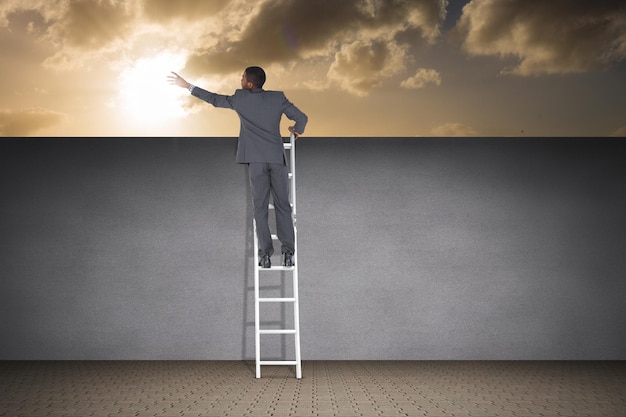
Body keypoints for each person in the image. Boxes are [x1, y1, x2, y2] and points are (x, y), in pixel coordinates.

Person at [167, 67, 308, 268]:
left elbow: (214, 99)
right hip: (276, 159)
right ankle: (288, 253)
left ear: (249, 84)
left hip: (256, 162)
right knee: (283, 206)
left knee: (260, 208)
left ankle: (265, 255)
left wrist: (187, 86)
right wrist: (296, 131)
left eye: (242, 77)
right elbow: (302, 118)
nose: (240, 79)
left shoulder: (240, 99)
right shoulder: (278, 98)